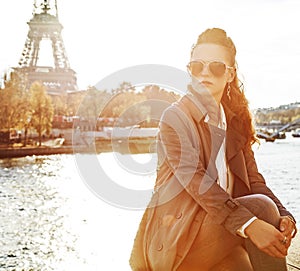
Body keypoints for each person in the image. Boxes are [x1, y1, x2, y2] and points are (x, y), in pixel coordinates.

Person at [129, 28, 297, 271]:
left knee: (242, 266)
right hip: (176, 241)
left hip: (219, 233)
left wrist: (285, 216)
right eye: (197, 67)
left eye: (215, 67)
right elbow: (198, 184)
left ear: (230, 74)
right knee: (261, 207)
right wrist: (250, 224)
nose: (204, 73)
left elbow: (254, 181)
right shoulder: (175, 118)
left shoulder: (234, 124)